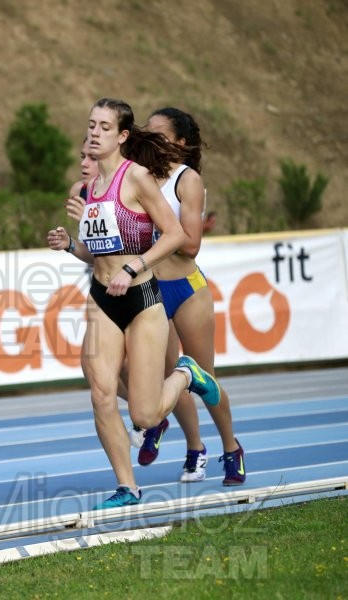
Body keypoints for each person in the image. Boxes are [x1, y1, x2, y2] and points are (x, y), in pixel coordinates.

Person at [46, 97, 221, 509]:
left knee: (144, 416)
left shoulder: (138, 177)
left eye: (105, 127)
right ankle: (127, 487)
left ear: (123, 136)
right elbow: (101, 251)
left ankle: (185, 374)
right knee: (101, 393)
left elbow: (177, 235)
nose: (94, 132)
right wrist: (71, 243)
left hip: (143, 298)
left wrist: (135, 267)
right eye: (91, 124)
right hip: (101, 298)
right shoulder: (85, 188)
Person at [132, 107, 244, 485]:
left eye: (160, 132)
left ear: (180, 142)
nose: (151, 136)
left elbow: (191, 245)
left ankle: (232, 447)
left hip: (187, 289)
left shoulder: (187, 179)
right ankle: (195, 448)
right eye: (148, 130)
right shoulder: (138, 177)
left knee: (203, 379)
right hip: (151, 291)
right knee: (170, 376)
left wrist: (163, 233)